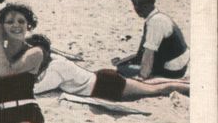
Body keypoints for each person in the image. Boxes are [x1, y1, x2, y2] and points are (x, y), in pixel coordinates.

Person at [29, 34, 189, 100]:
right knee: (149, 85)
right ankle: (187, 83)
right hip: (102, 79)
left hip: (104, 87)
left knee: (154, 90)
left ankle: (191, 88)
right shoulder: (55, 58)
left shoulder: (56, 68)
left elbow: (35, 90)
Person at [113, 0, 189, 79]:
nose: (138, 7)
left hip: (174, 70)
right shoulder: (157, 17)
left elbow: (148, 53)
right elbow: (142, 53)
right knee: (122, 65)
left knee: (122, 70)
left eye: (142, 4)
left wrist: (142, 77)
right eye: (135, 4)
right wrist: (124, 61)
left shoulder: (155, 22)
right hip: (181, 63)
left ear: (151, 3)